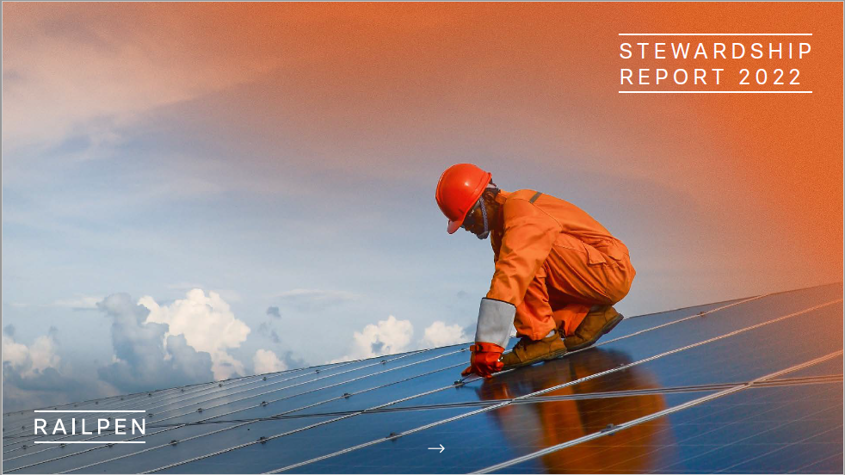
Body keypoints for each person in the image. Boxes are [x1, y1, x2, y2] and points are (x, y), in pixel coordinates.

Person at [435, 163, 636, 378]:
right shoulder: (501, 230)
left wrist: (489, 344)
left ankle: (541, 338)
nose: (467, 227)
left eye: (468, 218)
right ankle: (587, 317)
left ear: (487, 199)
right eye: (462, 225)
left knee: (523, 257)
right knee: (519, 260)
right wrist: (484, 347)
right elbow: (514, 288)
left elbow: (512, 273)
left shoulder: (521, 209)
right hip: (592, 275)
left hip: (610, 271)